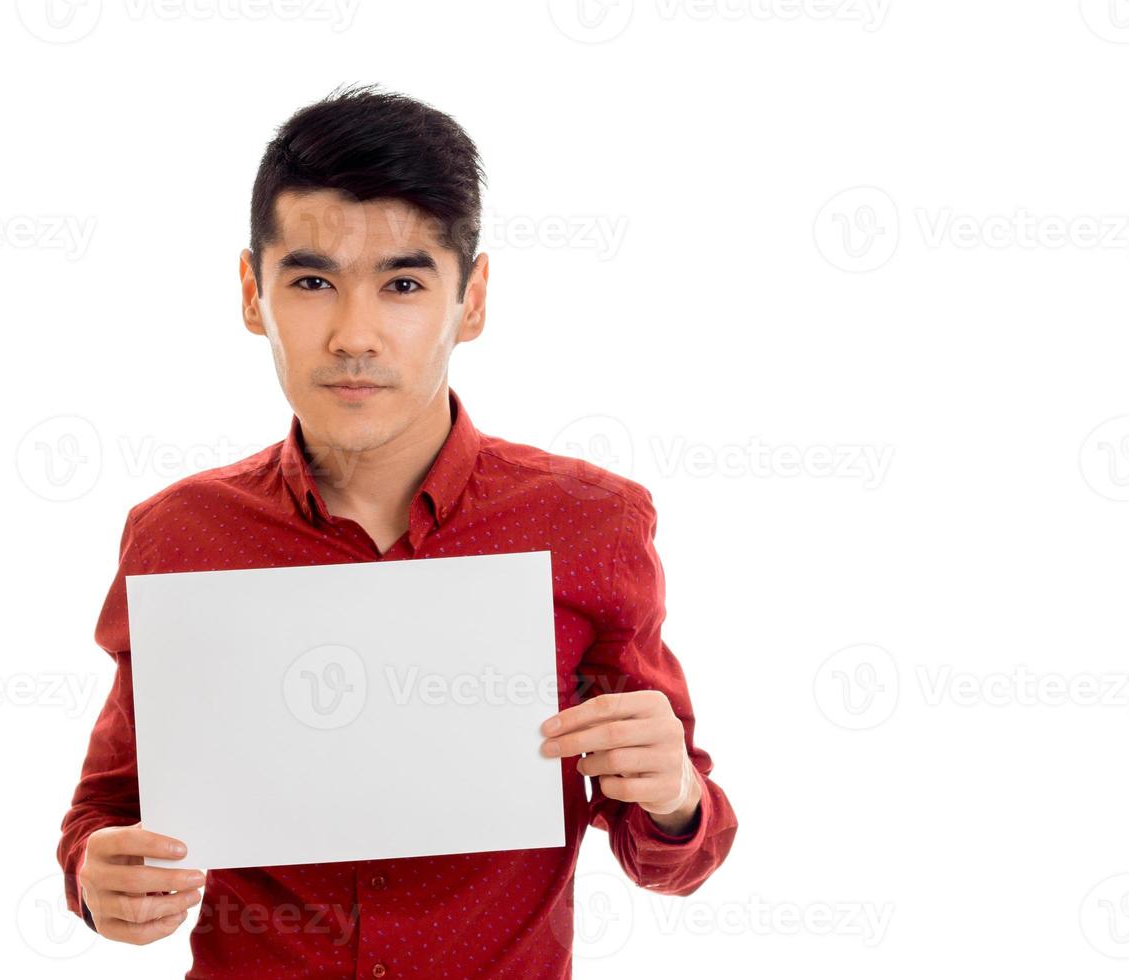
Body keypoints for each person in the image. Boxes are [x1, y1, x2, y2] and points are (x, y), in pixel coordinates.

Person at [57, 82, 738, 979]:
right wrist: (97, 879)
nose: (354, 333)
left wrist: (678, 795)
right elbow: (106, 812)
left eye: (404, 284)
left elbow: (674, 854)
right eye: (311, 282)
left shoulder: (587, 526)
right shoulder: (179, 538)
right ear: (253, 295)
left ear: (474, 297)